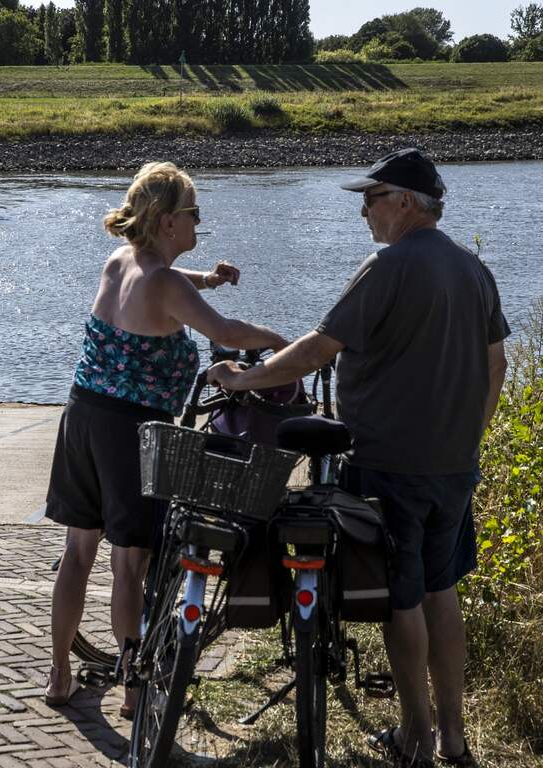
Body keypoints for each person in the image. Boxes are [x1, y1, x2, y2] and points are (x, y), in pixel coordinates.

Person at [208, 148, 509, 768]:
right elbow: (496, 363)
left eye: (370, 199)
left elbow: (319, 348)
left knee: (402, 599)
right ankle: (456, 738)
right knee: (440, 588)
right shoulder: (474, 270)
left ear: (404, 202)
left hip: (388, 463)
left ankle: (416, 737)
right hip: (453, 464)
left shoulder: (389, 264)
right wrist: (468, 436)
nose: (364, 212)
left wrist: (246, 380)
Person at [45, 161, 288, 714]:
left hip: (82, 416)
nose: (200, 224)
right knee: (128, 563)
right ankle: (134, 689)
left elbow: (163, 286)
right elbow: (223, 332)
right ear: (167, 221)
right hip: (129, 430)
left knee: (78, 552)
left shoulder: (121, 261)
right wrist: (282, 340)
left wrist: (208, 278)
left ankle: (59, 674)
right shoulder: (164, 282)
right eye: (194, 214)